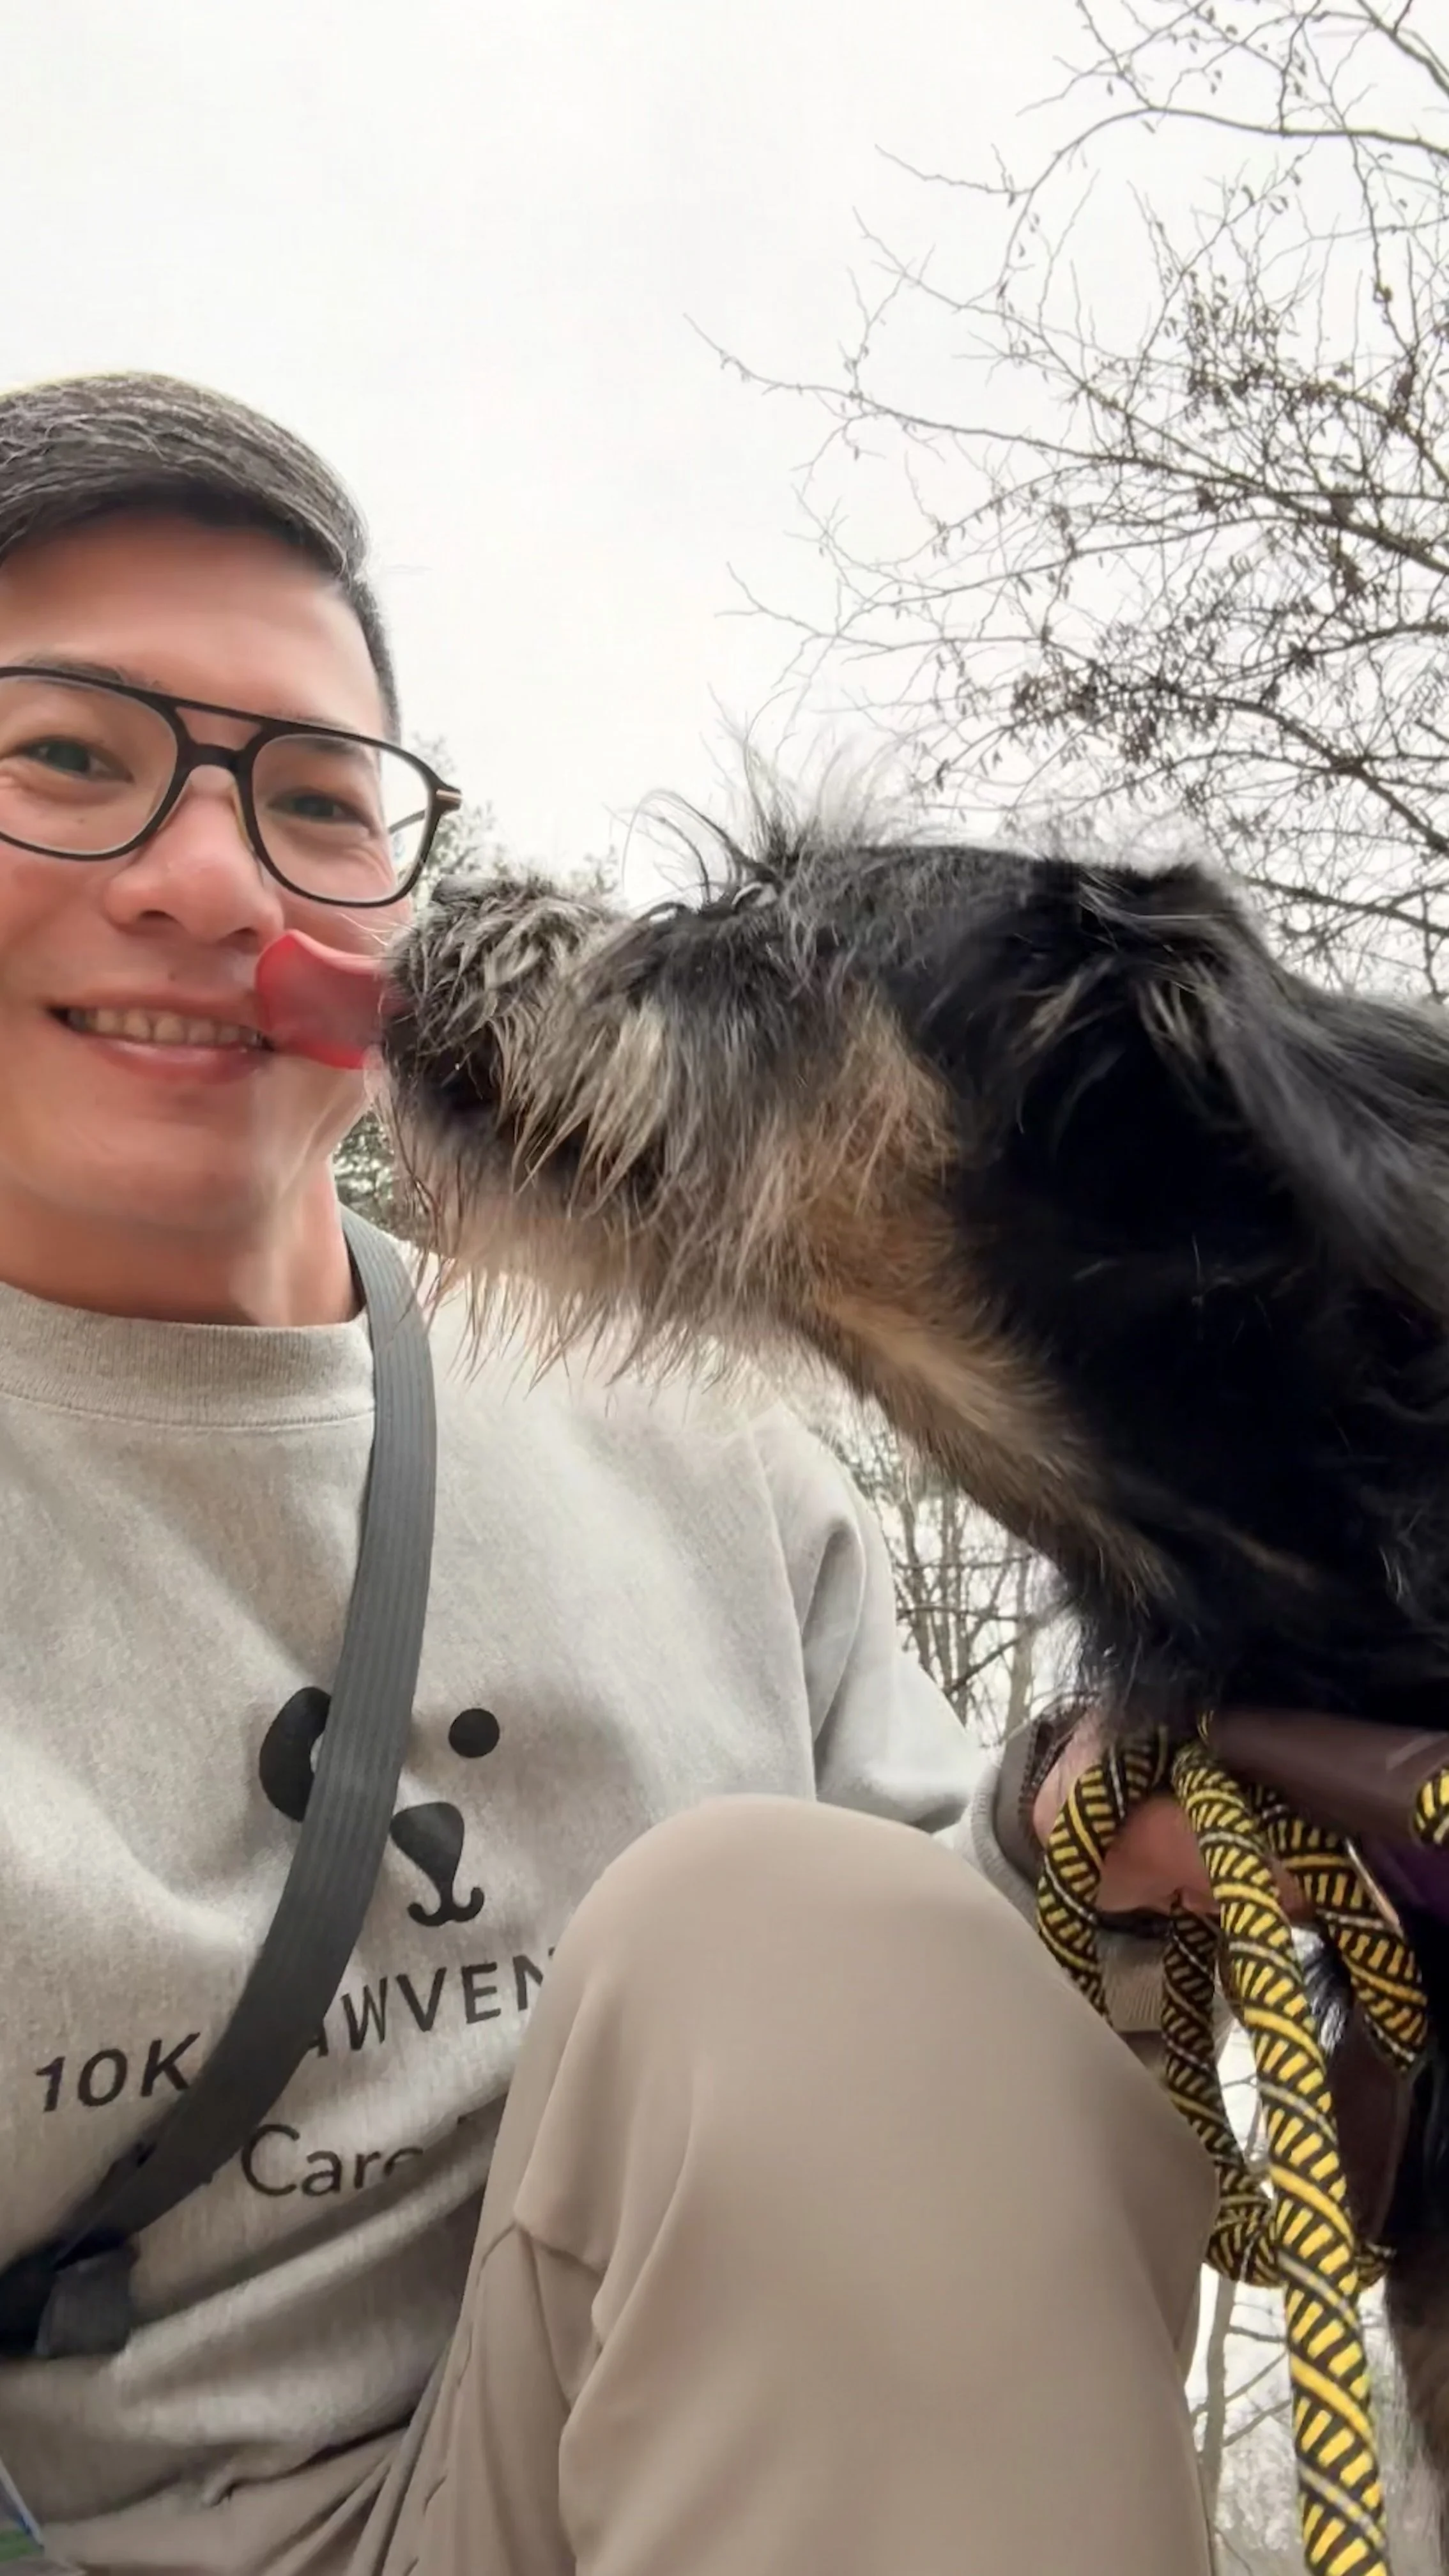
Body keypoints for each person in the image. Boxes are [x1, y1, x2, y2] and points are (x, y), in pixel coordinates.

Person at [0, 371, 1218, 2576]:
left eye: (312, 798)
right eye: (63, 759)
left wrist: (1112, 1863)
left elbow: (992, 2061)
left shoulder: (695, 1416)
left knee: (807, 1931)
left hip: (852, 2470)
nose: (206, 878)